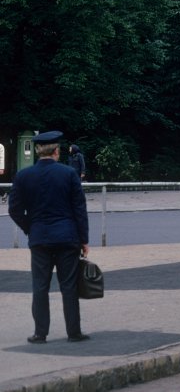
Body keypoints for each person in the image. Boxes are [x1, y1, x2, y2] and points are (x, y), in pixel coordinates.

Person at [8, 131, 90, 344]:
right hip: (67, 238)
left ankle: (40, 333)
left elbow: (14, 210)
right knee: (69, 286)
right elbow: (79, 208)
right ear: (56, 151)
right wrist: (83, 239)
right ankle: (74, 332)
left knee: (40, 286)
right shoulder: (69, 174)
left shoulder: (24, 176)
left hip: (40, 239)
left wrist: (31, 227)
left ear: (37, 151)